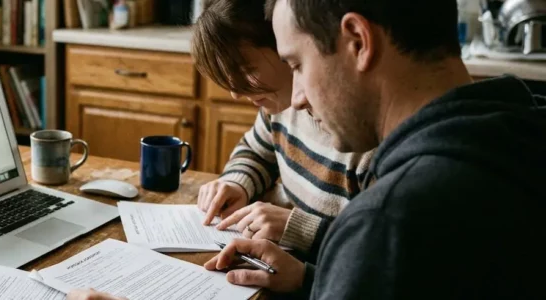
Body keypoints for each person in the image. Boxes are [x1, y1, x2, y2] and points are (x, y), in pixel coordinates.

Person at [205, 0, 546, 298]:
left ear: (358, 41)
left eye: (297, 65)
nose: (297, 98)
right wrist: (313, 280)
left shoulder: (386, 223)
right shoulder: (521, 136)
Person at [192, 0, 372, 260]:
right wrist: (237, 183)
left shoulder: (359, 133)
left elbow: (370, 254)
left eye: (246, 70)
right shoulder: (279, 108)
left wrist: (298, 229)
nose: (235, 92)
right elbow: (255, 151)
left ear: (285, 47)